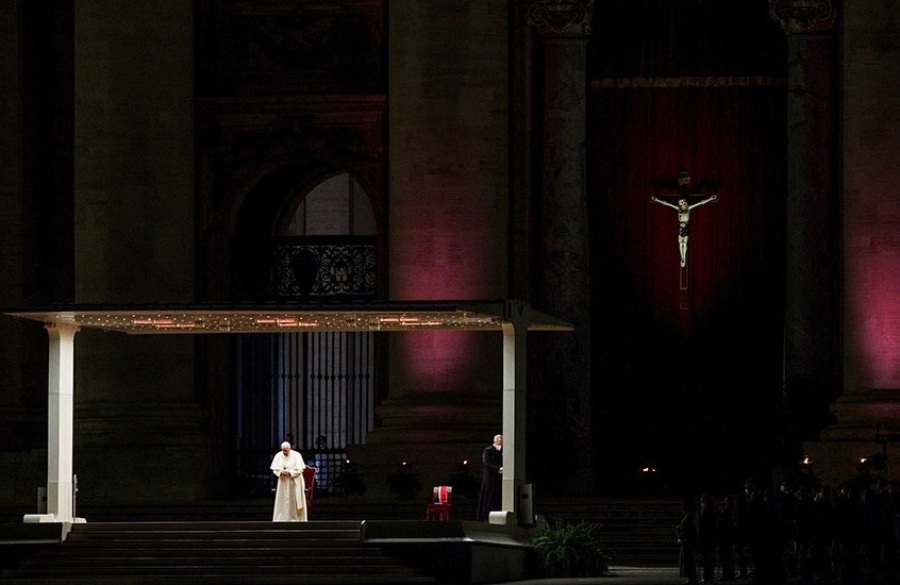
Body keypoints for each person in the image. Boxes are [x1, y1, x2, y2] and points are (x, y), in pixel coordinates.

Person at [650, 172, 717, 268]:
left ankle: (683, 257)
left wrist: (710, 198)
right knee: (680, 243)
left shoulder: (688, 208)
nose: (682, 203)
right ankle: (682, 257)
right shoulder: (679, 209)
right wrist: (657, 200)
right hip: (681, 228)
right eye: (681, 202)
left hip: (685, 228)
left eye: (683, 202)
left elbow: (700, 203)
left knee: (683, 243)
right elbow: (667, 204)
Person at [270, 441, 308, 521]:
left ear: (290, 449)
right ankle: (282, 519)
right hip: (283, 482)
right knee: (282, 502)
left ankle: (295, 519)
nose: (284, 452)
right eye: (283, 450)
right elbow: (275, 470)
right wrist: (281, 472)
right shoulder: (278, 455)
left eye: (286, 450)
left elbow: (300, 469)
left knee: (293, 502)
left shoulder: (297, 455)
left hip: (294, 482)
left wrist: (290, 473)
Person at [476, 434, 503, 521]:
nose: (502, 440)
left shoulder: (502, 451)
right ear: (496, 440)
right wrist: (497, 469)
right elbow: (486, 463)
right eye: (501, 439)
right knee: (489, 495)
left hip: (499, 477)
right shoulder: (488, 450)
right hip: (490, 477)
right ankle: (485, 516)